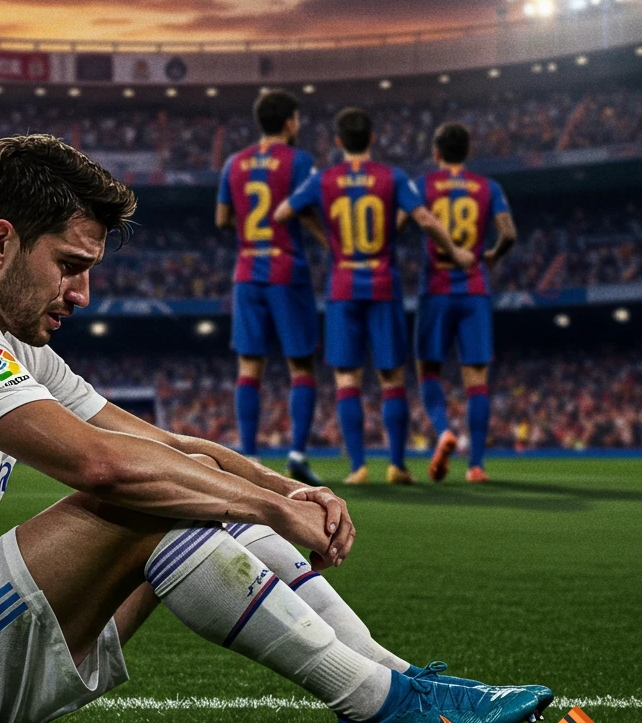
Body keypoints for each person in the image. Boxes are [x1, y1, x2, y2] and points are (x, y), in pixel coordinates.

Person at [0, 133, 548, 723]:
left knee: (179, 477)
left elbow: (165, 443)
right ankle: (377, 704)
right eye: (70, 267)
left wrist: (286, 491)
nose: (82, 294)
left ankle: (399, 681)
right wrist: (271, 514)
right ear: (1, 242)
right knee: (145, 495)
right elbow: (103, 465)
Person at [274, 109, 474, 485]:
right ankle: (397, 466)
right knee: (392, 379)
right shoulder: (391, 177)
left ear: (338, 142)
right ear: (373, 139)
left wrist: (326, 238)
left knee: (347, 379)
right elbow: (426, 220)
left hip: (343, 287)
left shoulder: (325, 179)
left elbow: (285, 211)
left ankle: (358, 468)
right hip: (383, 285)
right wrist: (458, 253)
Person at [215, 90, 324, 484]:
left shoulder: (235, 163)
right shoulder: (299, 161)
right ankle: (296, 453)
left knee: (249, 366)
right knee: (301, 365)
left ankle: (250, 455)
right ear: (290, 121)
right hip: (286, 269)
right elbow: (309, 209)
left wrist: (247, 228)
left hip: (247, 271)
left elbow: (222, 217)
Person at [412, 123, 517, 483]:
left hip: (436, 288)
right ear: (468, 153)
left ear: (436, 153)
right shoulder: (488, 188)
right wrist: (491, 256)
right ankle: (476, 466)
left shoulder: (424, 185)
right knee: (477, 381)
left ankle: (444, 431)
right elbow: (509, 233)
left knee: (428, 372)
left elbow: (401, 220)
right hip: (474, 289)